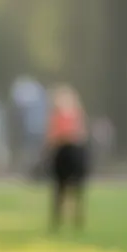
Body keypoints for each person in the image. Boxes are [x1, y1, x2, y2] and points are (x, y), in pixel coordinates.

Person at [45, 84, 90, 232]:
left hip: (74, 153)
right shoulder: (56, 115)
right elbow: (52, 136)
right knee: (60, 189)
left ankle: (77, 219)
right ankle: (57, 221)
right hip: (61, 153)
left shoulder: (77, 114)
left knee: (77, 189)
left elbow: (81, 134)